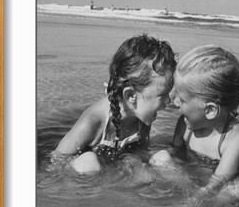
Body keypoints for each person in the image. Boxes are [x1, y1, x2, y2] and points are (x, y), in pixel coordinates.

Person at [53, 34, 176, 174]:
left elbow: (140, 150)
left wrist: (134, 162)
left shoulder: (141, 114)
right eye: (162, 95)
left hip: (111, 166)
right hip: (86, 172)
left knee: (162, 158)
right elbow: (56, 159)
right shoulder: (93, 120)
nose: (169, 101)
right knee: (89, 162)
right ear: (131, 96)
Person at [150, 45, 239, 199]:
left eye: (182, 99)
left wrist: (199, 197)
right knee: (161, 157)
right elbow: (177, 152)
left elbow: (219, 181)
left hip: (217, 186)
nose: (175, 102)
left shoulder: (234, 137)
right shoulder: (185, 123)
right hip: (190, 178)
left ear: (210, 110)